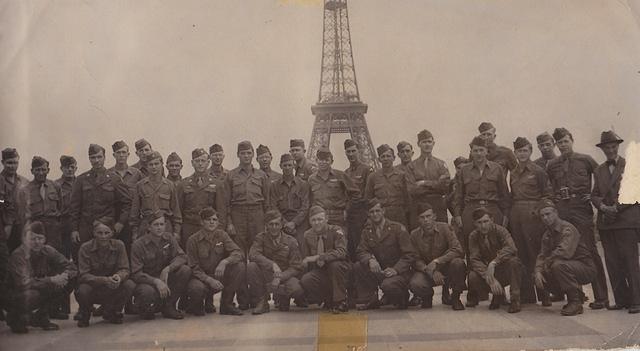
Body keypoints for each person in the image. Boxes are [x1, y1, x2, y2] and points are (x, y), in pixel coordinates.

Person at [547, 127, 609, 309]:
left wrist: (594, 196)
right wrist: (555, 199)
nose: (563, 145)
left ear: (572, 141)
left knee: (589, 249)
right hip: (563, 210)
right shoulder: (553, 164)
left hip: (581, 210)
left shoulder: (585, 160)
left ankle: (602, 297)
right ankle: (576, 295)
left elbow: (602, 177)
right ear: (556, 145)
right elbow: (550, 186)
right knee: (567, 250)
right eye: (559, 142)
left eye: (565, 141)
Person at [591, 131, 640, 313]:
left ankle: (637, 300)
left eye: (613, 147)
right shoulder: (599, 170)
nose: (610, 150)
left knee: (630, 261)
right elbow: (594, 194)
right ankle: (621, 300)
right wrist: (603, 208)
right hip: (606, 223)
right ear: (602, 149)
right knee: (612, 262)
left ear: (618, 147)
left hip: (626, 221)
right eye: (607, 148)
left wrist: (615, 209)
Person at [5, 222, 77, 333]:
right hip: (15, 294)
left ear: (45, 239)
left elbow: (71, 267)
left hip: (38, 286)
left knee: (70, 280)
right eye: (32, 238)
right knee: (33, 294)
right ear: (24, 239)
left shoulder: (48, 250)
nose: (37, 242)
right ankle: (15, 317)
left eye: (40, 238)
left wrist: (64, 276)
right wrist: (52, 280)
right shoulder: (18, 255)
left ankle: (41, 316)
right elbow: (22, 283)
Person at [224, 140, 271, 309]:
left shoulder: (261, 176)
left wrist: (266, 223)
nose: (246, 156)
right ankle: (243, 299)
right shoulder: (230, 176)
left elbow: (267, 203)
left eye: (249, 153)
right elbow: (227, 203)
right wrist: (229, 222)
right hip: (238, 214)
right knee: (239, 258)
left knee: (257, 256)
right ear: (238, 155)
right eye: (242, 153)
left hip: (257, 214)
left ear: (253, 155)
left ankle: (260, 298)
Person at [509, 137, 553, 304]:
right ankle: (528, 295)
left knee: (536, 254)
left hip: (533, 216)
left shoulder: (538, 170)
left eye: (525, 150)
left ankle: (544, 294)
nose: (522, 154)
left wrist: (539, 212)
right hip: (517, 216)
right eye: (519, 151)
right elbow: (513, 195)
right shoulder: (512, 173)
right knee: (521, 254)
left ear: (530, 151)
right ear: (515, 153)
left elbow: (547, 194)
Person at [69, 144, 131, 262]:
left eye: (99, 157)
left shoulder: (114, 178)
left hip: (107, 228)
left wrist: (120, 223)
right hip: (86, 228)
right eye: (93, 157)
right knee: (84, 259)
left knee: (107, 260)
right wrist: (74, 229)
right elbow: (74, 207)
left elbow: (126, 203)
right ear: (89, 159)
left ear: (104, 157)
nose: (96, 160)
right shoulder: (81, 179)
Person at [535, 199, 596, 316]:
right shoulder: (547, 234)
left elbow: (564, 252)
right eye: (542, 216)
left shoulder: (567, 228)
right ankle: (576, 294)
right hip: (569, 266)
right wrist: (538, 271)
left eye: (548, 214)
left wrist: (546, 264)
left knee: (558, 265)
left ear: (556, 213)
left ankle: (576, 303)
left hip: (585, 268)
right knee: (541, 273)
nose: (545, 218)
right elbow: (542, 255)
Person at [354, 200, 417, 310]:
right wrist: (370, 260)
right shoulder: (367, 231)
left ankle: (401, 296)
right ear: (368, 214)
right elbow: (361, 251)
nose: (375, 214)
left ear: (383, 211)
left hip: (399, 272)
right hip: (381, 271)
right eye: (372, 212)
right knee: (358, 266)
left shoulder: (397, 228)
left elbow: (409, 254)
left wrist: (396, 269)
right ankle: (371, 299)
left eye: (377, 211)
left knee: (388, 285)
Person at [454, 136, 510, 255]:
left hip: (492, 209)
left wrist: (505, 214)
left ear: (486, 151)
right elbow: (458, 195)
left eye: (481, 150)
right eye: (475, 150)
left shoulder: (497, 168)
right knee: (471, 245)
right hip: (470, 211)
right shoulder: (464, 171)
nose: (479, 153)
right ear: (471, 152)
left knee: (496, 244)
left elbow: (504, 194)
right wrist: (458, 215)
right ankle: (473, 272)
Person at [75, 218, 135, 327]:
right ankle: (85, 314)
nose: (103, 236)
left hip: (112, 286)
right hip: (93, 287)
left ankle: (113, 311)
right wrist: (104, 280)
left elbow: (125, 269)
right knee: (82, 290)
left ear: (112, 233)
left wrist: (118, 277)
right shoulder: (85, 248)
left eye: (107, 233)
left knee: (129, 285)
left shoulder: (119, 245)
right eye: (100, 233)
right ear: (94, 233)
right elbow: (83, 275)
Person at [130, 212, 191, 320]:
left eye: (162, 224)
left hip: (165, 278)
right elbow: (136, 273)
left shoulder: (169, 238)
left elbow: (182, 256)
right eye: (156, 225)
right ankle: (144, 307)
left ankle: (169, 306)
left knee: (185, 270)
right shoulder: (138, 245)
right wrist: (156, 281)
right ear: (149, 227)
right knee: (147, 294)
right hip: (147, 281)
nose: (159, 228)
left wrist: (168, 269)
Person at [185, 207, 245, 316]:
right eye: (208, 220)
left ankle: (226, 305)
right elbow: (193, 267)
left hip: (218, 275)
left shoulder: (222, 235)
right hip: (201, 278)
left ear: (218, 222)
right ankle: (197, 305)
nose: (212, 222)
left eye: (214, 219)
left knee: (239, 267)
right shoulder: (192, 240)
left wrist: (224, 262)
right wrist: (209, 280)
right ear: (202, 222)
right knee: (196, 289)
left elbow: (238, 252)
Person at [409, 203, 466, 310]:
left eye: (428, 216)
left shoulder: (445, 228)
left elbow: (457, 249)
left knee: (458, 263)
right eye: (422, 217)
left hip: (446, 268)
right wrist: (431, 270)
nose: (426, 220)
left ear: (434, 216)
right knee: (415, 283)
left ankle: (455, 297)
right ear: (418, 220)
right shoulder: (414, 235)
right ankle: (427, 296)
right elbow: (415, 259)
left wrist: (437, 262)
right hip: (426, 270)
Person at [466, 208, 522, 313]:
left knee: (514, 262)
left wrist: (494, 262)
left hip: (503, 269)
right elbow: (475, 260)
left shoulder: (501, 230)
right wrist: (491, 280)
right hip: (489, 272)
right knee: (473, 276)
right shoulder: (473, 236)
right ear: (474, 224)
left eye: (486, 221)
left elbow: (511, 248)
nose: (483, 226)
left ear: (492, 220)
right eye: (479, 223)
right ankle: (498, 295)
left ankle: (515, 300)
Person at [248, 210, 304, 314]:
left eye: (277, 224)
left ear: (282, 225)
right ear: (266, 225)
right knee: (251, 267)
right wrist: (272, 264)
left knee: (297, 290)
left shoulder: (291, 241)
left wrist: (279, 277)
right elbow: (253, 254)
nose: (274, 227)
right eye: (271, 224)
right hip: (267, 274)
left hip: (285, 276)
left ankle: (282, 297)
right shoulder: (260, 238)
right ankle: (262, 302)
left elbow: (296, 267)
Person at [299, 206, 350, 313]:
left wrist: (319, 257)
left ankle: (341, 301)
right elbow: (305, 258)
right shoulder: (307, 235)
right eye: (313, 220)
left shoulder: (336, 230)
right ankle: (328, 298)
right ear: (309, 221)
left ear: (326, 219)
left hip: (341, 271)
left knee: (334, 265)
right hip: (321, 271)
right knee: (306, 279)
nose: (317, 223)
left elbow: (342, 252)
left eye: (320, 219)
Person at [176, 148, 226, 249]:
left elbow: (221, 210)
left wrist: (220, 230)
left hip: (210, 228)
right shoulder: (183, 184)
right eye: (197, 161)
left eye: (203, 161)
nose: (200, 164)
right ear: (192, 163)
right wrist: (178, 231)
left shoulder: (217, 184)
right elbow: (178, 210)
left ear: (208, 163)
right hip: (189, 227)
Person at [130, 151, 182, 241]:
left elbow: (176, 211)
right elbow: (134, 212)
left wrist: (176, 232)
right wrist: (135, 232)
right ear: (146, 166)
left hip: (165, 226)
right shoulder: (140, 185)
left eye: (156, 164)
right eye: (151, 164)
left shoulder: (170, 185)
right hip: (146, 226)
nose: (154, 167)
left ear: (161, 164)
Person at [308, 147, 360, 234]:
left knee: (340, 243)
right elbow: (309, 199)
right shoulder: (311, 179)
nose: (323, 162)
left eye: (326, 160)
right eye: (320, 160)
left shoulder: (340, 175)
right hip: (319, 219)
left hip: (338, 217)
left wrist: (348, 209)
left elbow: (355, 194)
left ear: (331, 161)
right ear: (316, 160)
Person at [18, 157, 64, 253]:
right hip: (35, 228)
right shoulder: (25, 190)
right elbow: (22, 216)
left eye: (43, 169)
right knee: (36, 255)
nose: (41, 172)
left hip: (53, 230)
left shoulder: (55, 186)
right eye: (37, 170)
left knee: (54, 255)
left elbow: (61, 208)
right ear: (32, 171)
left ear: (48, 170)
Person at [406, 130, 451, 227]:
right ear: (419, 144)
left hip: (437, 206)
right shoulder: (411, 166)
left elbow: (445, 187)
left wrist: (423, 182)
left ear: (433, 143)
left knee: (441, 234)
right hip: (419, 206)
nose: (427, 145)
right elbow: (412, 190)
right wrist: (436, 184)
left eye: (429, 142)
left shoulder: (441, 164)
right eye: (424, 142)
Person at [106, 140, 143, 254]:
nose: (121, 155)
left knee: (133, 249)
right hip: (114, 219)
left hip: (132, 219)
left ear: (128, 154)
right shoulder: (108, 174)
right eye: (118, 153)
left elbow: (142, 195)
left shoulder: (137, 174)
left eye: (124, 152)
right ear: (114, 155)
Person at [269, 153, 310, 246]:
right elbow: (274, 206)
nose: (287, 168)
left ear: (294, 166)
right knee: (282, 249)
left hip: (300, 222)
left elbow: (305, 207)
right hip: (282, 222)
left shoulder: (303, 184)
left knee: (301, 247)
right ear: (280, 166)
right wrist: (284, 223)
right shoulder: (274, 186)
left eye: (289, 165)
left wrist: (294, 223)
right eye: (285, 165)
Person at [365, 144, 410, 226]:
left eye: (388, 156)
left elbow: (407, 197)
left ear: (394, 158)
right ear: (379, 159)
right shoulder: (373, 177)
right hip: (381, 215)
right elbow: (368, 199)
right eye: (383, 156)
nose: (386, 159)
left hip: (399, 214)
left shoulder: (402, 175)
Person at [344, 139, 373, 262]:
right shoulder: (346, 172)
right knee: (353, 245)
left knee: (364, 245)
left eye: (353, 151)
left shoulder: (367, 170)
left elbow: (369, 194)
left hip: (362, 214)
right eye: (348, 151)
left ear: (359, 151)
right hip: (350, 216)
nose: (351, 154)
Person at [1, 148, 29, 252]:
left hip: (22, 227)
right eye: (9, 163)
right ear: (2, 162)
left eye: (15, 162)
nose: (13, 166)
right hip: (4, 228)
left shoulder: (24, 181)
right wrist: (3, 202)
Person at [55, 155, 77, 260]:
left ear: (76, 168)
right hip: (63, 223)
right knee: (64, 253)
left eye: (72, 167)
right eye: (66, 167)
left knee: (78, 252)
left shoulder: (81, 183)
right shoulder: (55, 185)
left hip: (78, 223)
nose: (69, 170)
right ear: (61, 168)